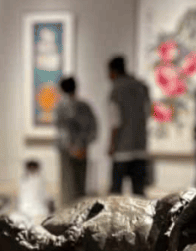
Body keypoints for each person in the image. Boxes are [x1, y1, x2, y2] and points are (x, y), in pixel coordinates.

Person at [107, 56, 150, 196]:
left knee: (116, 193)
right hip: (140, 145)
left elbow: (115, 121)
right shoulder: (142, 87)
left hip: (122, 148)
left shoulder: (116, 90)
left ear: (113, 71)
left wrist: (112, 145)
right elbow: (147, 113)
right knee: (139, 192)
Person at [53, 76, 97, 204]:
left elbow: (62, 130)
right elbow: (93, 130)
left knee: (68, 185)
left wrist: (71, 146)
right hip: (81, 148)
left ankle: (69, 211)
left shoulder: (61, 107)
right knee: (80, 184)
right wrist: (82, 145)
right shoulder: (84, 106)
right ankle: (79, 210)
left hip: (68, 149)